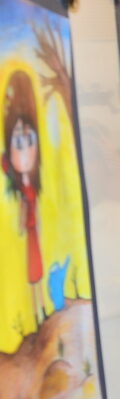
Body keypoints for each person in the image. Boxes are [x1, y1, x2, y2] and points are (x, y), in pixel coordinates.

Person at [2, 70, 45, 325]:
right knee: (31, 272)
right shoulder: (21, 190)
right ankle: (37, 312)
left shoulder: (33, 187)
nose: (26, 151)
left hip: (34, 233)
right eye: (18, 143)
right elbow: (22, 215)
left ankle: (41, 309)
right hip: (29, 233)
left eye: (30, 140)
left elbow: (34, 210)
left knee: (37, 270)